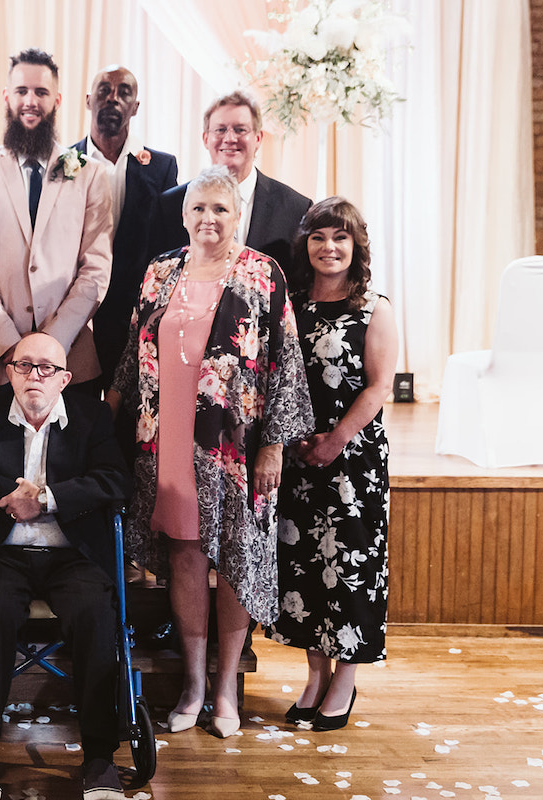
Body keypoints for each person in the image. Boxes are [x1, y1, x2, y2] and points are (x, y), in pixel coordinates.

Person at [107, 166, 314, 739]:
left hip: (236, 447)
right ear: (184, 215)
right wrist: (106, 423)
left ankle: (227, 692)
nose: (209, 219)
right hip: (165, 441)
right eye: (199, 209)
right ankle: (194, 685)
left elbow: (285, 362)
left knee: (240, 560)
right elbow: (133, 351)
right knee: (186, 560)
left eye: (220, 209)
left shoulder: (261, 273)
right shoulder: (160, 271)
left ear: (237, 215)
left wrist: (273, 444)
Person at [0, 332, 131, 800]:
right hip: (2, 555)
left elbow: (117, 481)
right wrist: (6, 494)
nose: (34, 375)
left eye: (46, 368)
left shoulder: (91, 417)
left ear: (65, 378)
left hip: (70, 554)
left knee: (95, 615)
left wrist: (49, 499)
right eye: (24, 366)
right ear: (9, 371)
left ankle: (100, 758)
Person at [266, 197, 397, 732]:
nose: (329, 247)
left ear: (356, 245)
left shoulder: (375, 308)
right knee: (304, 569)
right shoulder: (290, 303)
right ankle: (315, 678)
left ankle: (345, 680)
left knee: (350, 568)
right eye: (319, 237)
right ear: (306, 245)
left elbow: (379, 386)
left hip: (352, 461)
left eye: (340, 237)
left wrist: (336, 439)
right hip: (298, 459)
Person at [0, 48, 113, 397]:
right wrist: (11, 346)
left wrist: (51, 349)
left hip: (71, 360)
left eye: (41, 93)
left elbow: (96, 269)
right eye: (22, 91)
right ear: (6, 96)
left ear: (56, 100)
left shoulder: (90, 175)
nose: (30, 101)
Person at [72, 64, 178, 394]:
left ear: (135, 106)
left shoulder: (162, 167)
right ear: (89, 100)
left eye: (124, 92)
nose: (113, 98)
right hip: (76, 322)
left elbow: (169, 250)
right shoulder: (60, 164)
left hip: (135, 321)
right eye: (104, 90)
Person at [148, 91, 311, 290]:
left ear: (258, 138)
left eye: (240, 129)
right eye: (220, 130)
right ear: (205, 139)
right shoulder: (169, 205)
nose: (230, 138)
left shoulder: (296, 208)